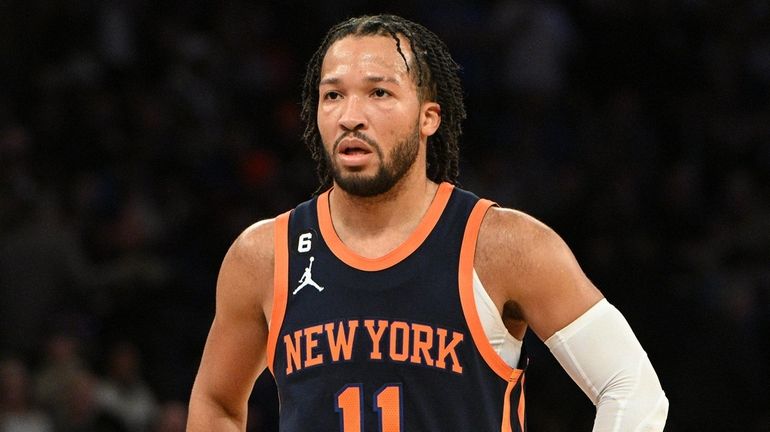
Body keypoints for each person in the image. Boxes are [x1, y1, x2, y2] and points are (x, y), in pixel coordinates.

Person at [188, 14, 668, 431]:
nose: (351, 116)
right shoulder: (265, 255)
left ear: (429, 118)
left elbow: (631, 386)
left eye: (379, 92)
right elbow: (216, 404)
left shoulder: (503, 245)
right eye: (333, 95)